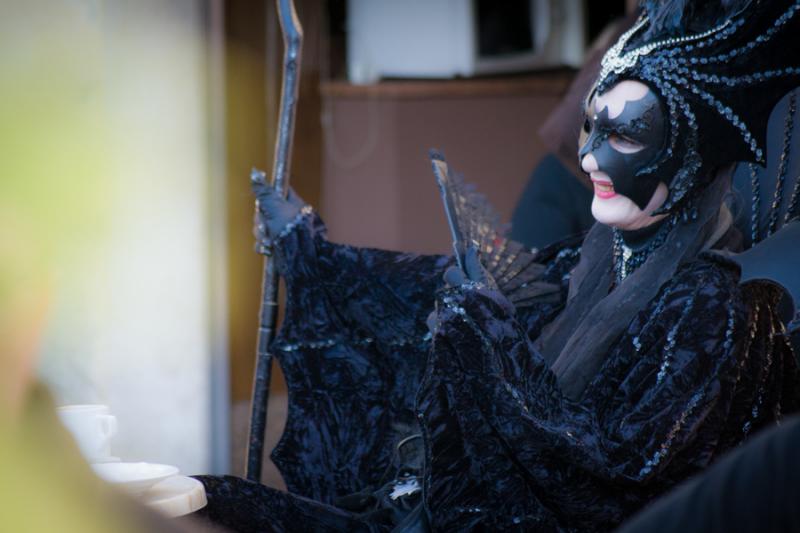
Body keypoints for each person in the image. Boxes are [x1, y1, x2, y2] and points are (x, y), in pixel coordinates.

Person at [195, 1, 800, 531]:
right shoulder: (598, 256)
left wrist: (488, 338)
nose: (588, 155)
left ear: (689, 158)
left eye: (627, 137)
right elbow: (437, 291)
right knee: (206, 500)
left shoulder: (712, 312)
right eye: (591, 125)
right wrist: (309, 247)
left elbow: (618, 480)